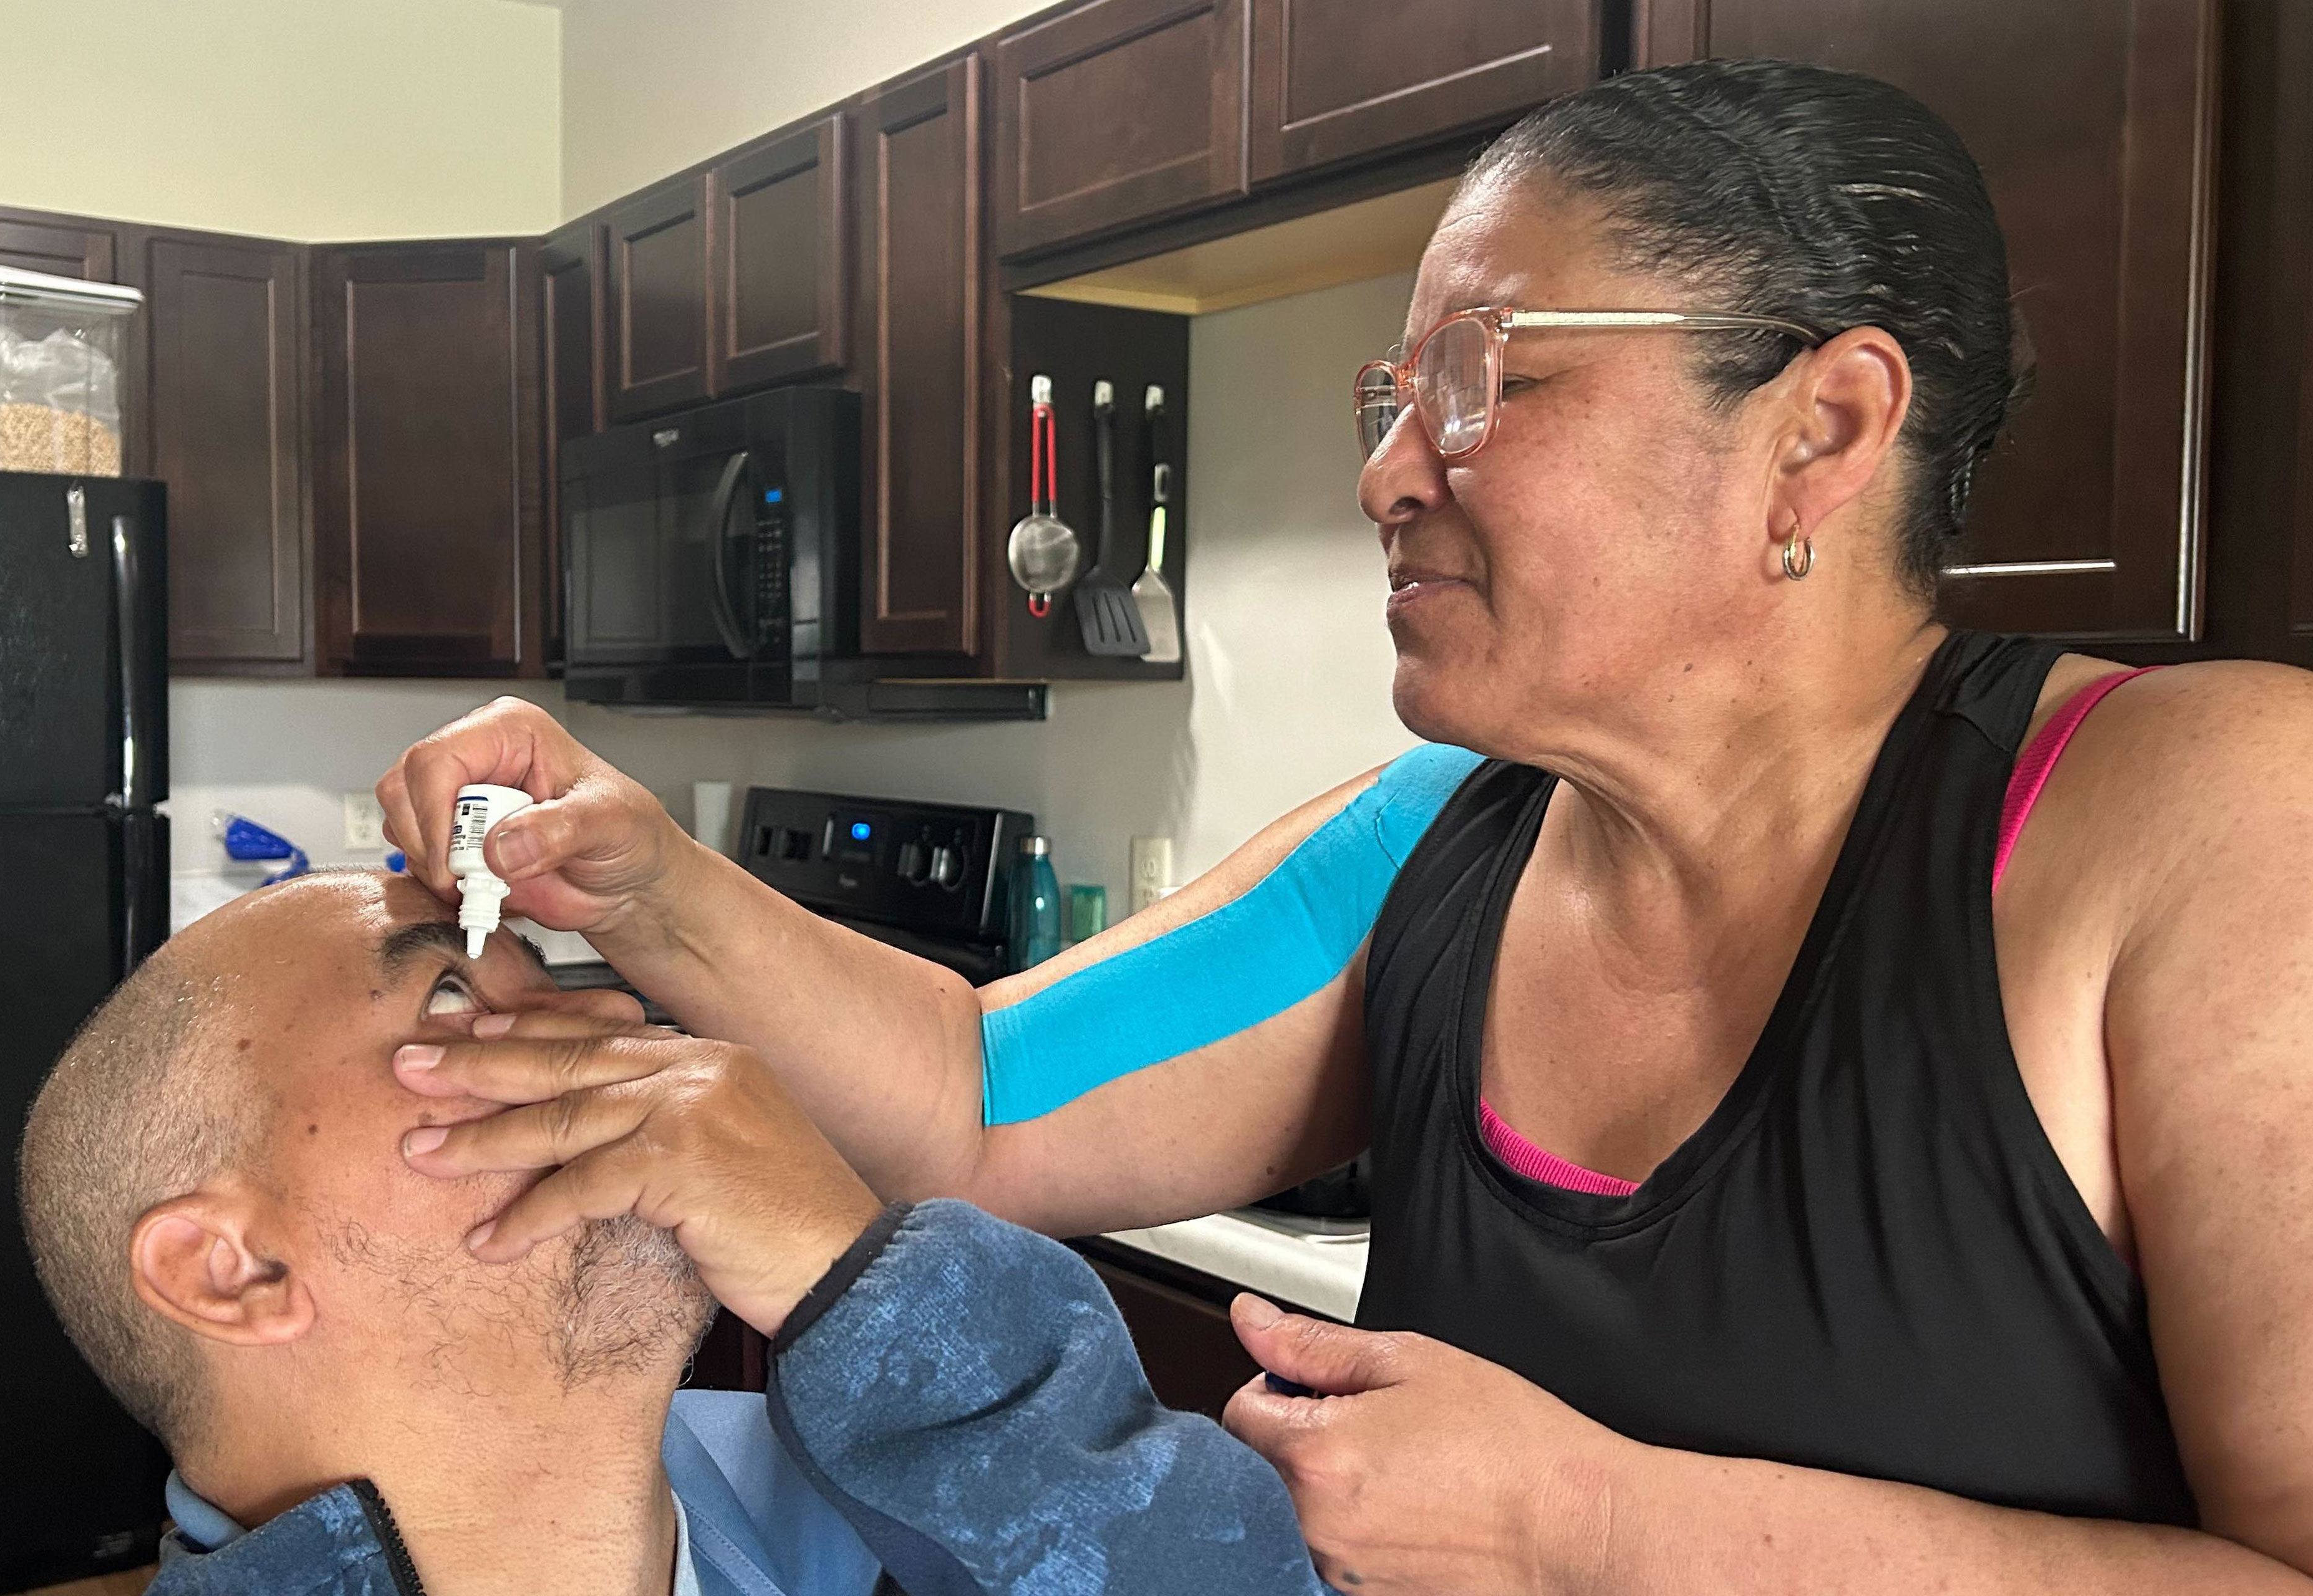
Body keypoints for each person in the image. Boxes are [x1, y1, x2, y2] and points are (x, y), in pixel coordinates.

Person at [380, 59, 2313, 1592]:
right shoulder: (1432, 845)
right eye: (1398, 393)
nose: (1389, 468)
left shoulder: (2199, 819)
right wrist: (649, 883)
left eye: (1477, 379)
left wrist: (1605, 1534)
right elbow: (978, 1098)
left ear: (1819, 427)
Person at [17, 869, 1335, 1596]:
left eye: (564, 981)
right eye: (455, 991)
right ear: (234, 1268)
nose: (627, 1043)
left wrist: (871, 1295)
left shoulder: (868, 1487)